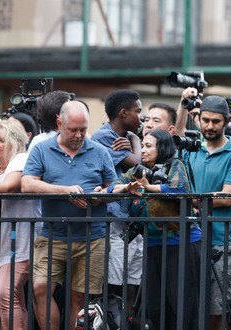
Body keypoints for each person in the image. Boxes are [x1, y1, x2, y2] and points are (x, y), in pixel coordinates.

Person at [21, 101, 116, 330]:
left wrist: (100, 196)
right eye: (73, 129)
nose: (79, 135)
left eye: (83, 129)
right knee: (39, 289)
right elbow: (27, 184)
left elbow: (114, 189)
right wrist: (64, 191)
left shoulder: (99, 151)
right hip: (53, 234)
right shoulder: (42, 149)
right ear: (59, 123)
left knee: (79, 300)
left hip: (92, 236)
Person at [106, 129, 200, 329]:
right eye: (143, 145)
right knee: (156, 305)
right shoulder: (136, 170)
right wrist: (126, 188)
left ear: (162, 148)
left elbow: (180, 189)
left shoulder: (175, 165)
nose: (143, 150)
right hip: (152, 242)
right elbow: (110, 189)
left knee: (183, 303)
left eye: (149, 146)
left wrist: (148, 187)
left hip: (181, 242)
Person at [184, 95, 231, 330]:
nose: (210, 126)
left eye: (216, 121)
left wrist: (190, 201)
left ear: (227, 122)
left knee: (217, 309)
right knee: (189, 306)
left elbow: (226, 197)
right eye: (206, 120)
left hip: (221, 240)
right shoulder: (189, 149)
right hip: (189, 238)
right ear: (198, 119)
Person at [91, 89, 143, 307]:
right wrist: (136, 141)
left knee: (131, 279)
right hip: (111, 218)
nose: (141, 117)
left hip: (128, 217)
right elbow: (138, 164)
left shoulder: (123, 137)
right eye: (137, 111)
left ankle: (126, 320)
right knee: (114, 281)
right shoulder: (104, 136)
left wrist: (132, 141)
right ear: (123, 113)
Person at [0, 119, 40, 330]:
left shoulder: (22, 159)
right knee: (13, 298)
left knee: (6, 294)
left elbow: (8, 186)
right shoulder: (1, 166)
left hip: (23, 239)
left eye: (1, 140)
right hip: (8, 241)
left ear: (15, 143)